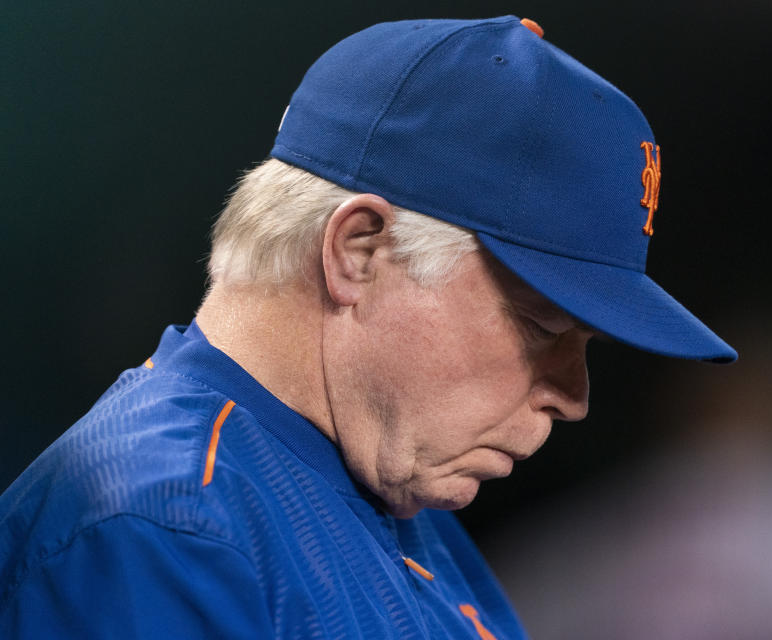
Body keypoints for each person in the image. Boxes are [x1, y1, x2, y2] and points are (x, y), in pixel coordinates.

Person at [0, 15, 735, 639]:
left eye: (586, 344)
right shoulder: (162, 528)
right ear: (359, 252)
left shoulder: (394, 499)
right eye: (542, 326)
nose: (573, 396)